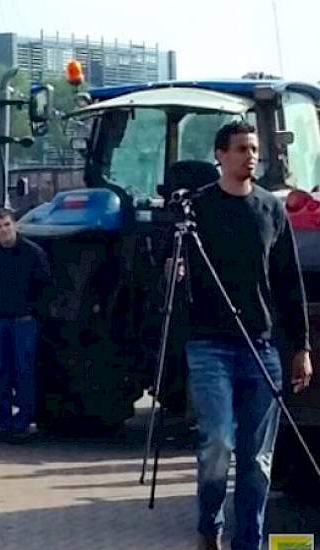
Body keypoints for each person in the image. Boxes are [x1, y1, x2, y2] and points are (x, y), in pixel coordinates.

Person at [183, 121, 312, 550]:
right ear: (220, 155)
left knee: (257, 460)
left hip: (261, 345)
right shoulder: (198, 209)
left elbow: (288, 281)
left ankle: (249, 543)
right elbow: (174, 275)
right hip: (208, 344)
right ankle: (209, 522)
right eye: (241, 148)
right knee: (218, 442)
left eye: (255, 148)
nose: (250, 156)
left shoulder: (270, 209)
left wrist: (302, 348)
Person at [0, 208, 51, 443]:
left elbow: (45, 286)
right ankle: (4, 421)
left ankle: (23, 422)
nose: (3, 230)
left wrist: (33, 311)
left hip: (24, 321)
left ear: (14, 224)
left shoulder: (32, 252)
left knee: (24, 371)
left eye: (7, 225)